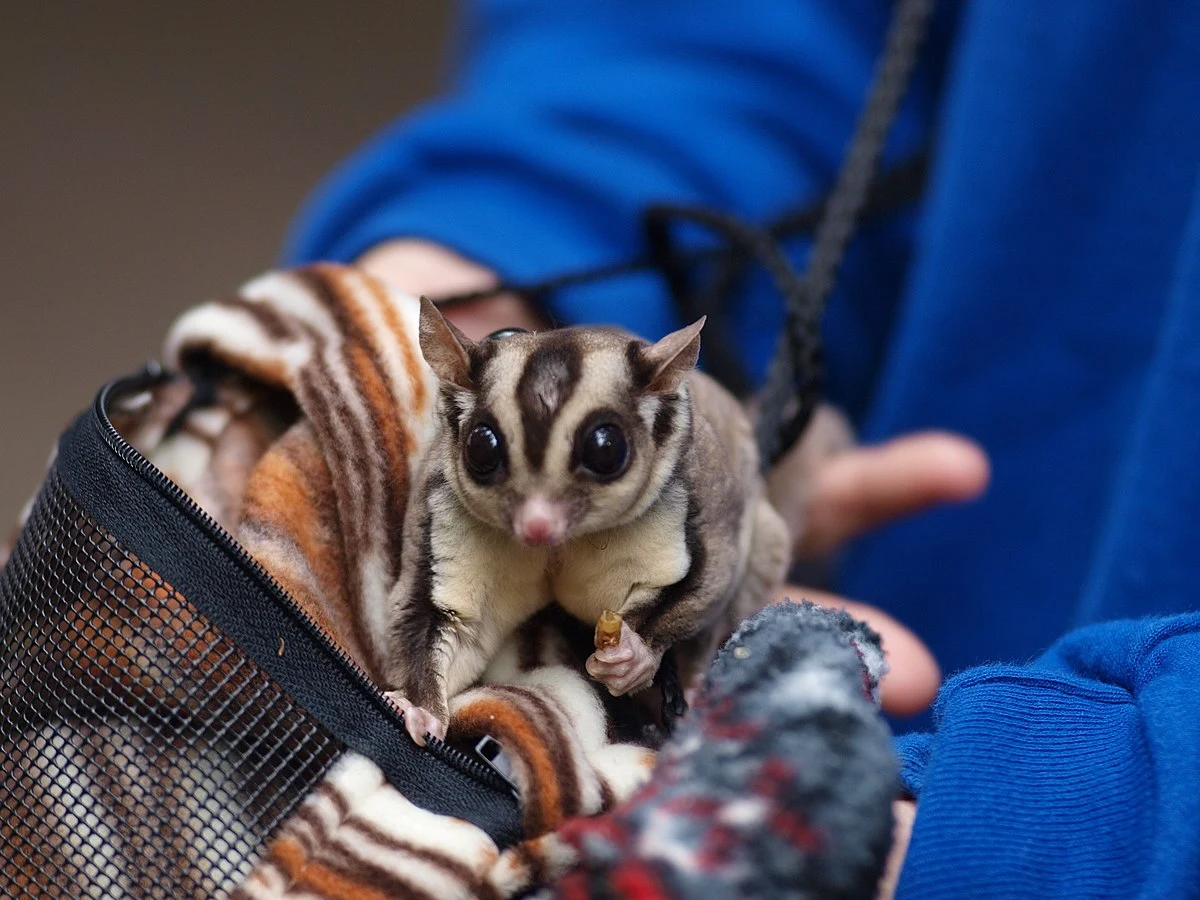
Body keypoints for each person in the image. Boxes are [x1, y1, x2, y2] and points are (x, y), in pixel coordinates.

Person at [283, 1, 1200, 895]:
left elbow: (707, 572)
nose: (535, 519)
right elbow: (712, 36)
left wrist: (1073, 831)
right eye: (490, 455)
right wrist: (497, 245)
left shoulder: (696, 484)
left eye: (598, 453)